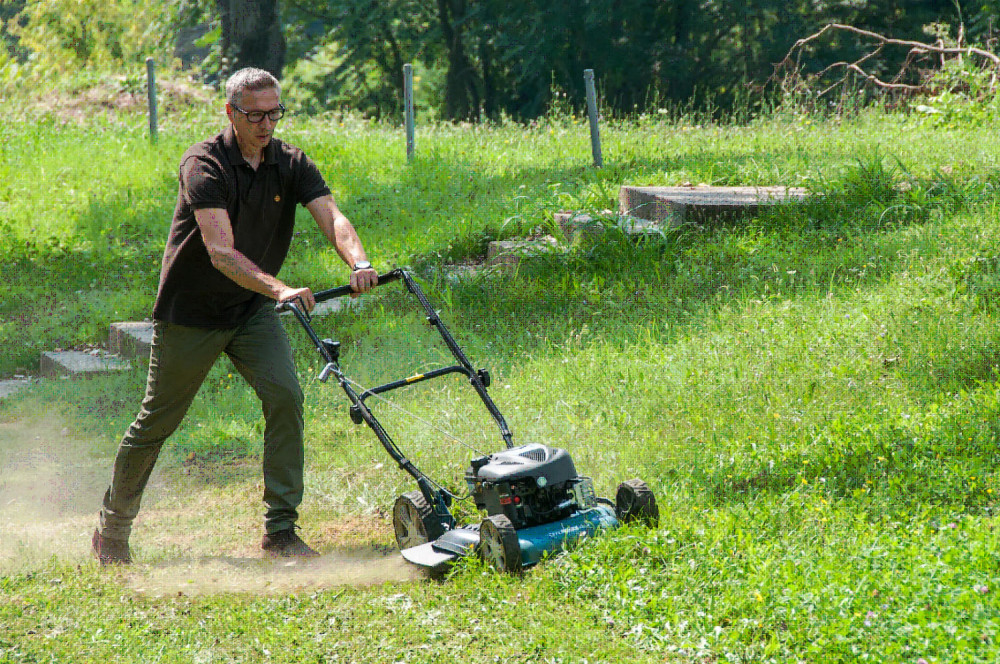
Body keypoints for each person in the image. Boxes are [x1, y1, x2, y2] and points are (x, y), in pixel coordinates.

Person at [92, 67, 378, 564]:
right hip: (192, 313)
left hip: (250, 310)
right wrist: (281, 288)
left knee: (285, 396)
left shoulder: (290, 162)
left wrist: (359, 262)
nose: (266, 125)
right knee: (157, 420)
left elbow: (332, 215)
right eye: (254, 115)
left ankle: (281, 531)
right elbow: (221, 252)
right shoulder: (204, 164)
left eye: (274, 113)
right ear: (231, 112)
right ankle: (112, 529)